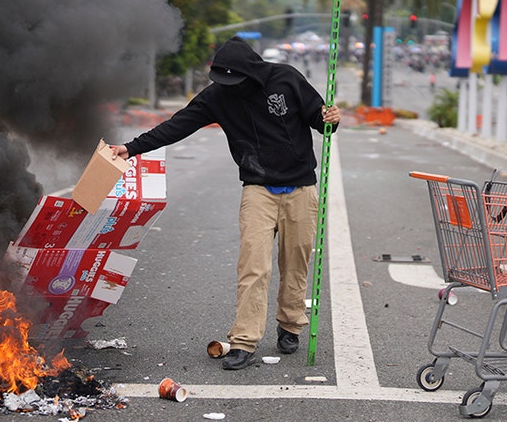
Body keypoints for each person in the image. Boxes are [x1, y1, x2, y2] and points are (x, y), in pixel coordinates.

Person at [110, 36, 341, 370]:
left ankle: (290, 324)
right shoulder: (219, 96)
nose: (230, 87)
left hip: (301, 188)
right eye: (224, 82)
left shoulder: (286, 78)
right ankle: (244, 341)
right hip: (258, 189)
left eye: (236, 81)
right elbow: (177, 125)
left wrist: (330, 119)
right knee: (253, 266)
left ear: (252, 73)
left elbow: (319, 120)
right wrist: (130, 148)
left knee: (295, 262)